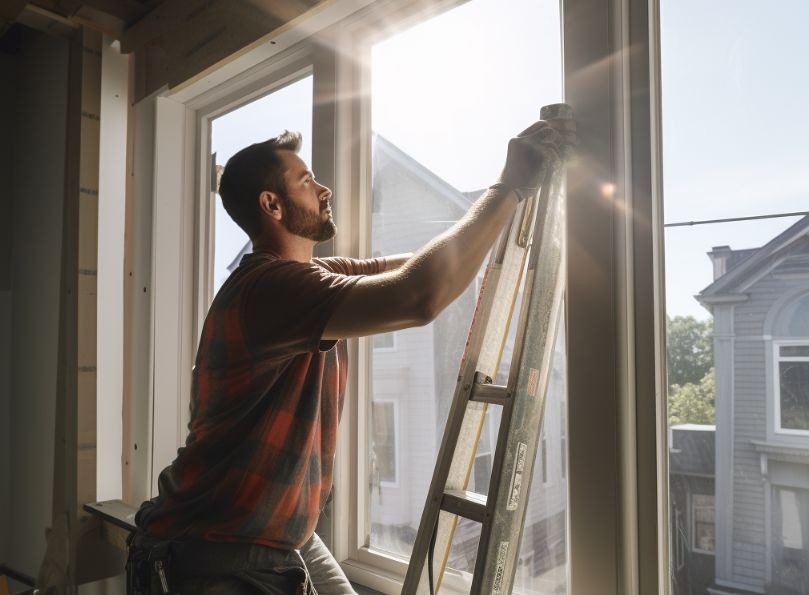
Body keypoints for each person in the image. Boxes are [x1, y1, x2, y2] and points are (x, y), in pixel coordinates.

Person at [129, 117, 572, 595]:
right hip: (213, 551)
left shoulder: (315, 275)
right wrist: (508, 187)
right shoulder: (269, 289)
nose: (324, 189)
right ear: (272, 205)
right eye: (306, 181)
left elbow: (418, 266)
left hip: (274, 533)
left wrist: (499, 216)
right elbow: (419, 296)